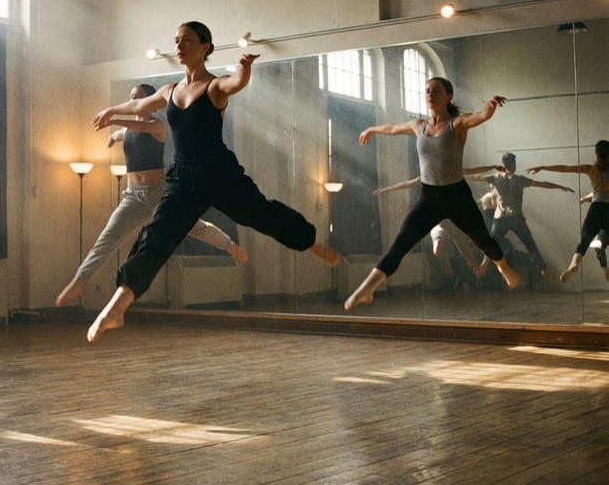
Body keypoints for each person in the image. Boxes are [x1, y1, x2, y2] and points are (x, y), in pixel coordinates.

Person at [86, 21, 340, 342]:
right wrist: (111, 110)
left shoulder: (215, 86)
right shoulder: (170, 90)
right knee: (156, 234)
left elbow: (236, 83)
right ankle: (117, 306)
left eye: (188, 41)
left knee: (260, 214)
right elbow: (138, 106)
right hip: (182, 177)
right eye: (177, 41)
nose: (179, 46)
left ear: (205, 46)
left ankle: (311, 242)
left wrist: (244, 69)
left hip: (219, 173)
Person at [55, 83, 247, 307]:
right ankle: (80, 281)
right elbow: (123, 134)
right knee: (108, 238)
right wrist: (113, 137)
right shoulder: (128, 130)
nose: (132, 100)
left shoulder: (159, 125)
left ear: (150, 101)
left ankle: (230, 246)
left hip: (159, 193)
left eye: (137, 97)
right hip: (133, 197)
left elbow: (138, 129)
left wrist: (114, 118)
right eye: (131, 97)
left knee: (195, 226)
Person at [345, 77, 519, 311]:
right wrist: (371, 129)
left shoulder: (457, 124)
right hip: (430, 197)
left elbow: (480, 116)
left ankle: (504, 267)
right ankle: (366, 289)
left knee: (483, 241)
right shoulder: (419, 126)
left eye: (436, 91)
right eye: (427, 90)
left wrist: (490, 105)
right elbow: (393, 128)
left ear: (448, 96)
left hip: (457, 196)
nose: (430, 94)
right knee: (402, 242)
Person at [371, 165, 502, 281]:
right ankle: (473, 263)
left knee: (438, 227)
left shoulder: (429, 175)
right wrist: (493, 166)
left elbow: (407, 183)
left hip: (440, 216)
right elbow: (474, 170)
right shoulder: (452, 172)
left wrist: (386, 189)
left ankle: (439, 241)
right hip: (454, 216)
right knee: (458, 238)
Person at [466, 152, 574, 275]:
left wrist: (459, 176)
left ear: (503, 165)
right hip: (516, 218)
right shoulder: (519, 180)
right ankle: (543, 268)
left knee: (492, 243)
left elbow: (477, 177)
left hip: (500, 218)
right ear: (514, 165)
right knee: (529, 243)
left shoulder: (495, 178)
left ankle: (483, 266)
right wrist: (559, 186)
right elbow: (542, 184)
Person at [526, 140, 609, 283]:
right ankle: (604, 267)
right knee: (601, 243)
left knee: (584, 241)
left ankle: (574, 264)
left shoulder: (591, 169)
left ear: (597, 154)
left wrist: (543, 167)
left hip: (596, 209)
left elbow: (564, 168)